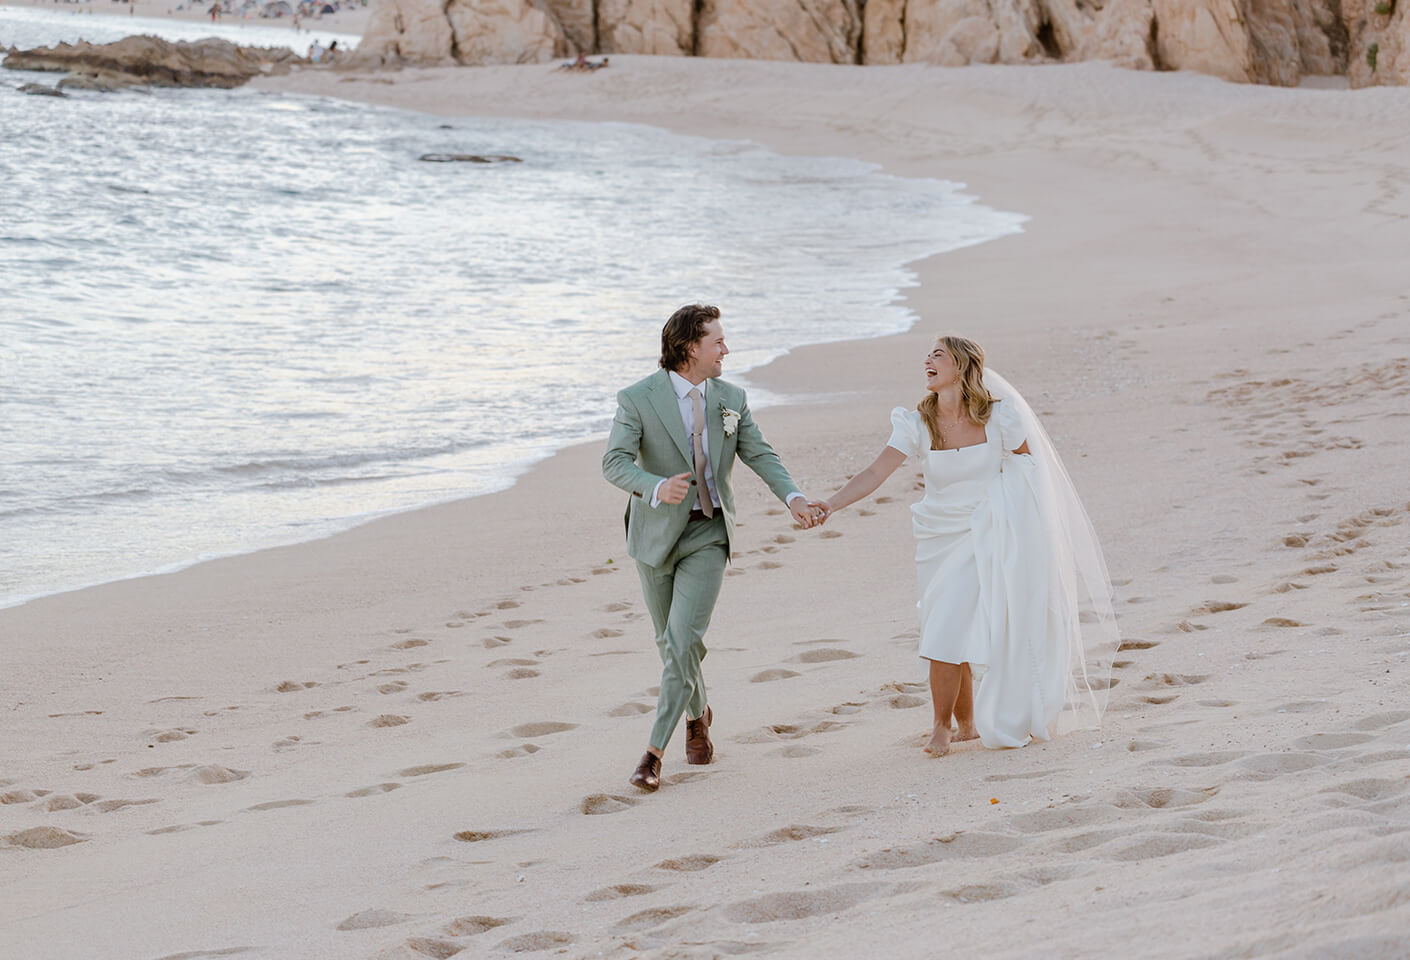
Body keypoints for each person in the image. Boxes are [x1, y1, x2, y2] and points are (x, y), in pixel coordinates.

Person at [815, 335, 1117, 756]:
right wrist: (831, 504)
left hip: (991, 533)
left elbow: (1032, 472)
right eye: (928, 355)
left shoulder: (998, 418)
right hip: (939, 537)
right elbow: (875, 473)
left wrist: (1007, 513)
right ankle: (967, 724)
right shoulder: (918, 423)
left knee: (948, 625)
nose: (927, 360)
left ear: (962, 365)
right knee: (947, 622)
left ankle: (940, 728)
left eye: (937, 354)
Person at [603, 304, 824, 792]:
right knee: (672, 644)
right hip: (654, 538)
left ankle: (653, 753)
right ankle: (699, 711)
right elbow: (614, 463)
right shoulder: (638, 398)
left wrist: (794, 497)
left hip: (709, 533)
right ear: (689, 349)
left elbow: (759, 453)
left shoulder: (732, 398)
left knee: (682, 641)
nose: (727, 349)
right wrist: (657, 487)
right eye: (718, 341)